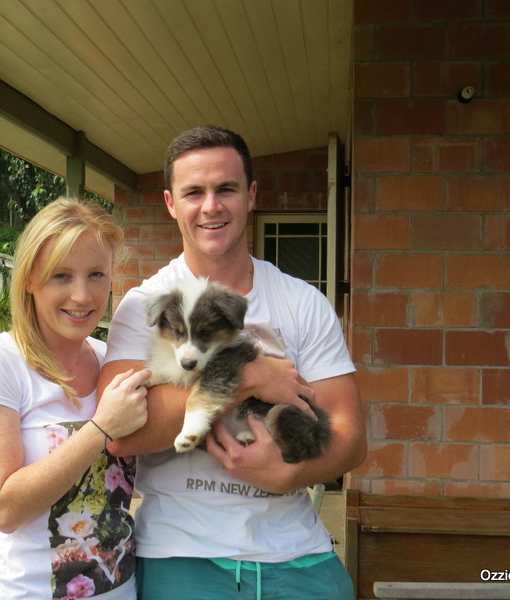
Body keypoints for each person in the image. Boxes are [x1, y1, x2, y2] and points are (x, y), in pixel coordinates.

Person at [97, 125, 366, 599]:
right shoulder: (145, 306)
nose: (211, 206)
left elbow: (351, 437)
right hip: (185, 555)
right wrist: (248, 376)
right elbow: (120, 434)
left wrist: (290, 475)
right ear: (170, 203)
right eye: (193, 192)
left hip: (298, 552)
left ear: (251, 195)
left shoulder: (303, 302)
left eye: (226, 189)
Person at [0, 198, 151, 600]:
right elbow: (3, 509)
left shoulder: (111, 361)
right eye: (62, 276)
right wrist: (100, 428)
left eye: (96, 275)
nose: (82, 295)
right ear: (30, 279)